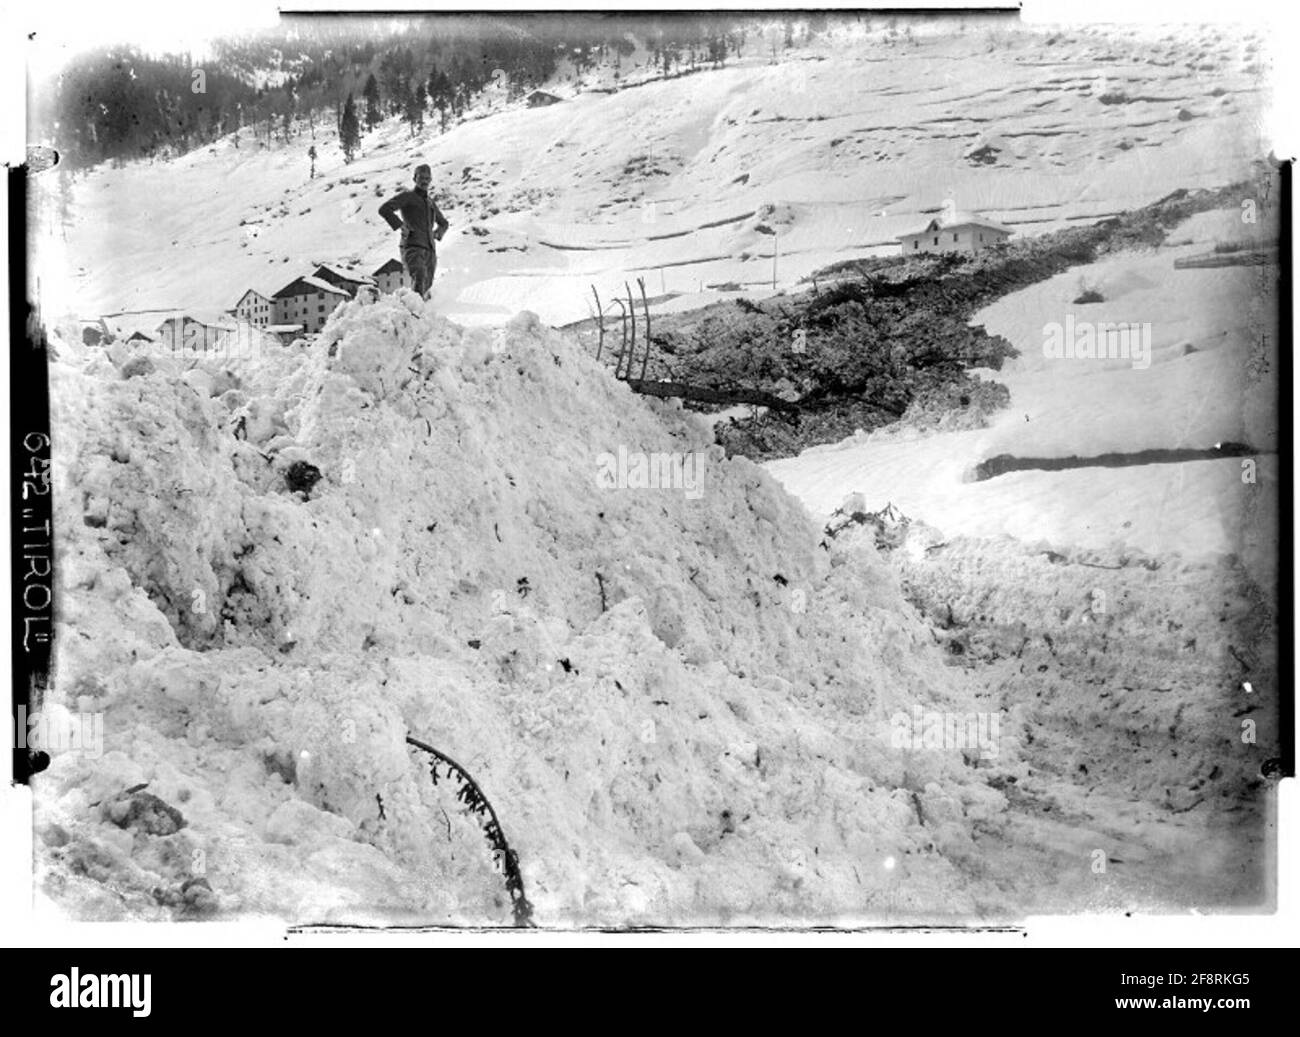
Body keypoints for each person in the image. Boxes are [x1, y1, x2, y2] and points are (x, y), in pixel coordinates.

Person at [378, 163, 450, 298]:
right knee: (420, 278)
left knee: (426, 287)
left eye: (427, 178)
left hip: (429, 251)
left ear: (431, 180)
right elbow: (384, 209)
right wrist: (400, 225)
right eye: (421, 177)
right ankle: (413, 313)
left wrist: (437, 233)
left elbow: (444, 223)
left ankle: (419, 314)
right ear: (414, 179)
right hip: (412, 247)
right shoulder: (408, 197)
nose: (424, 181)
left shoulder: (430, 202)